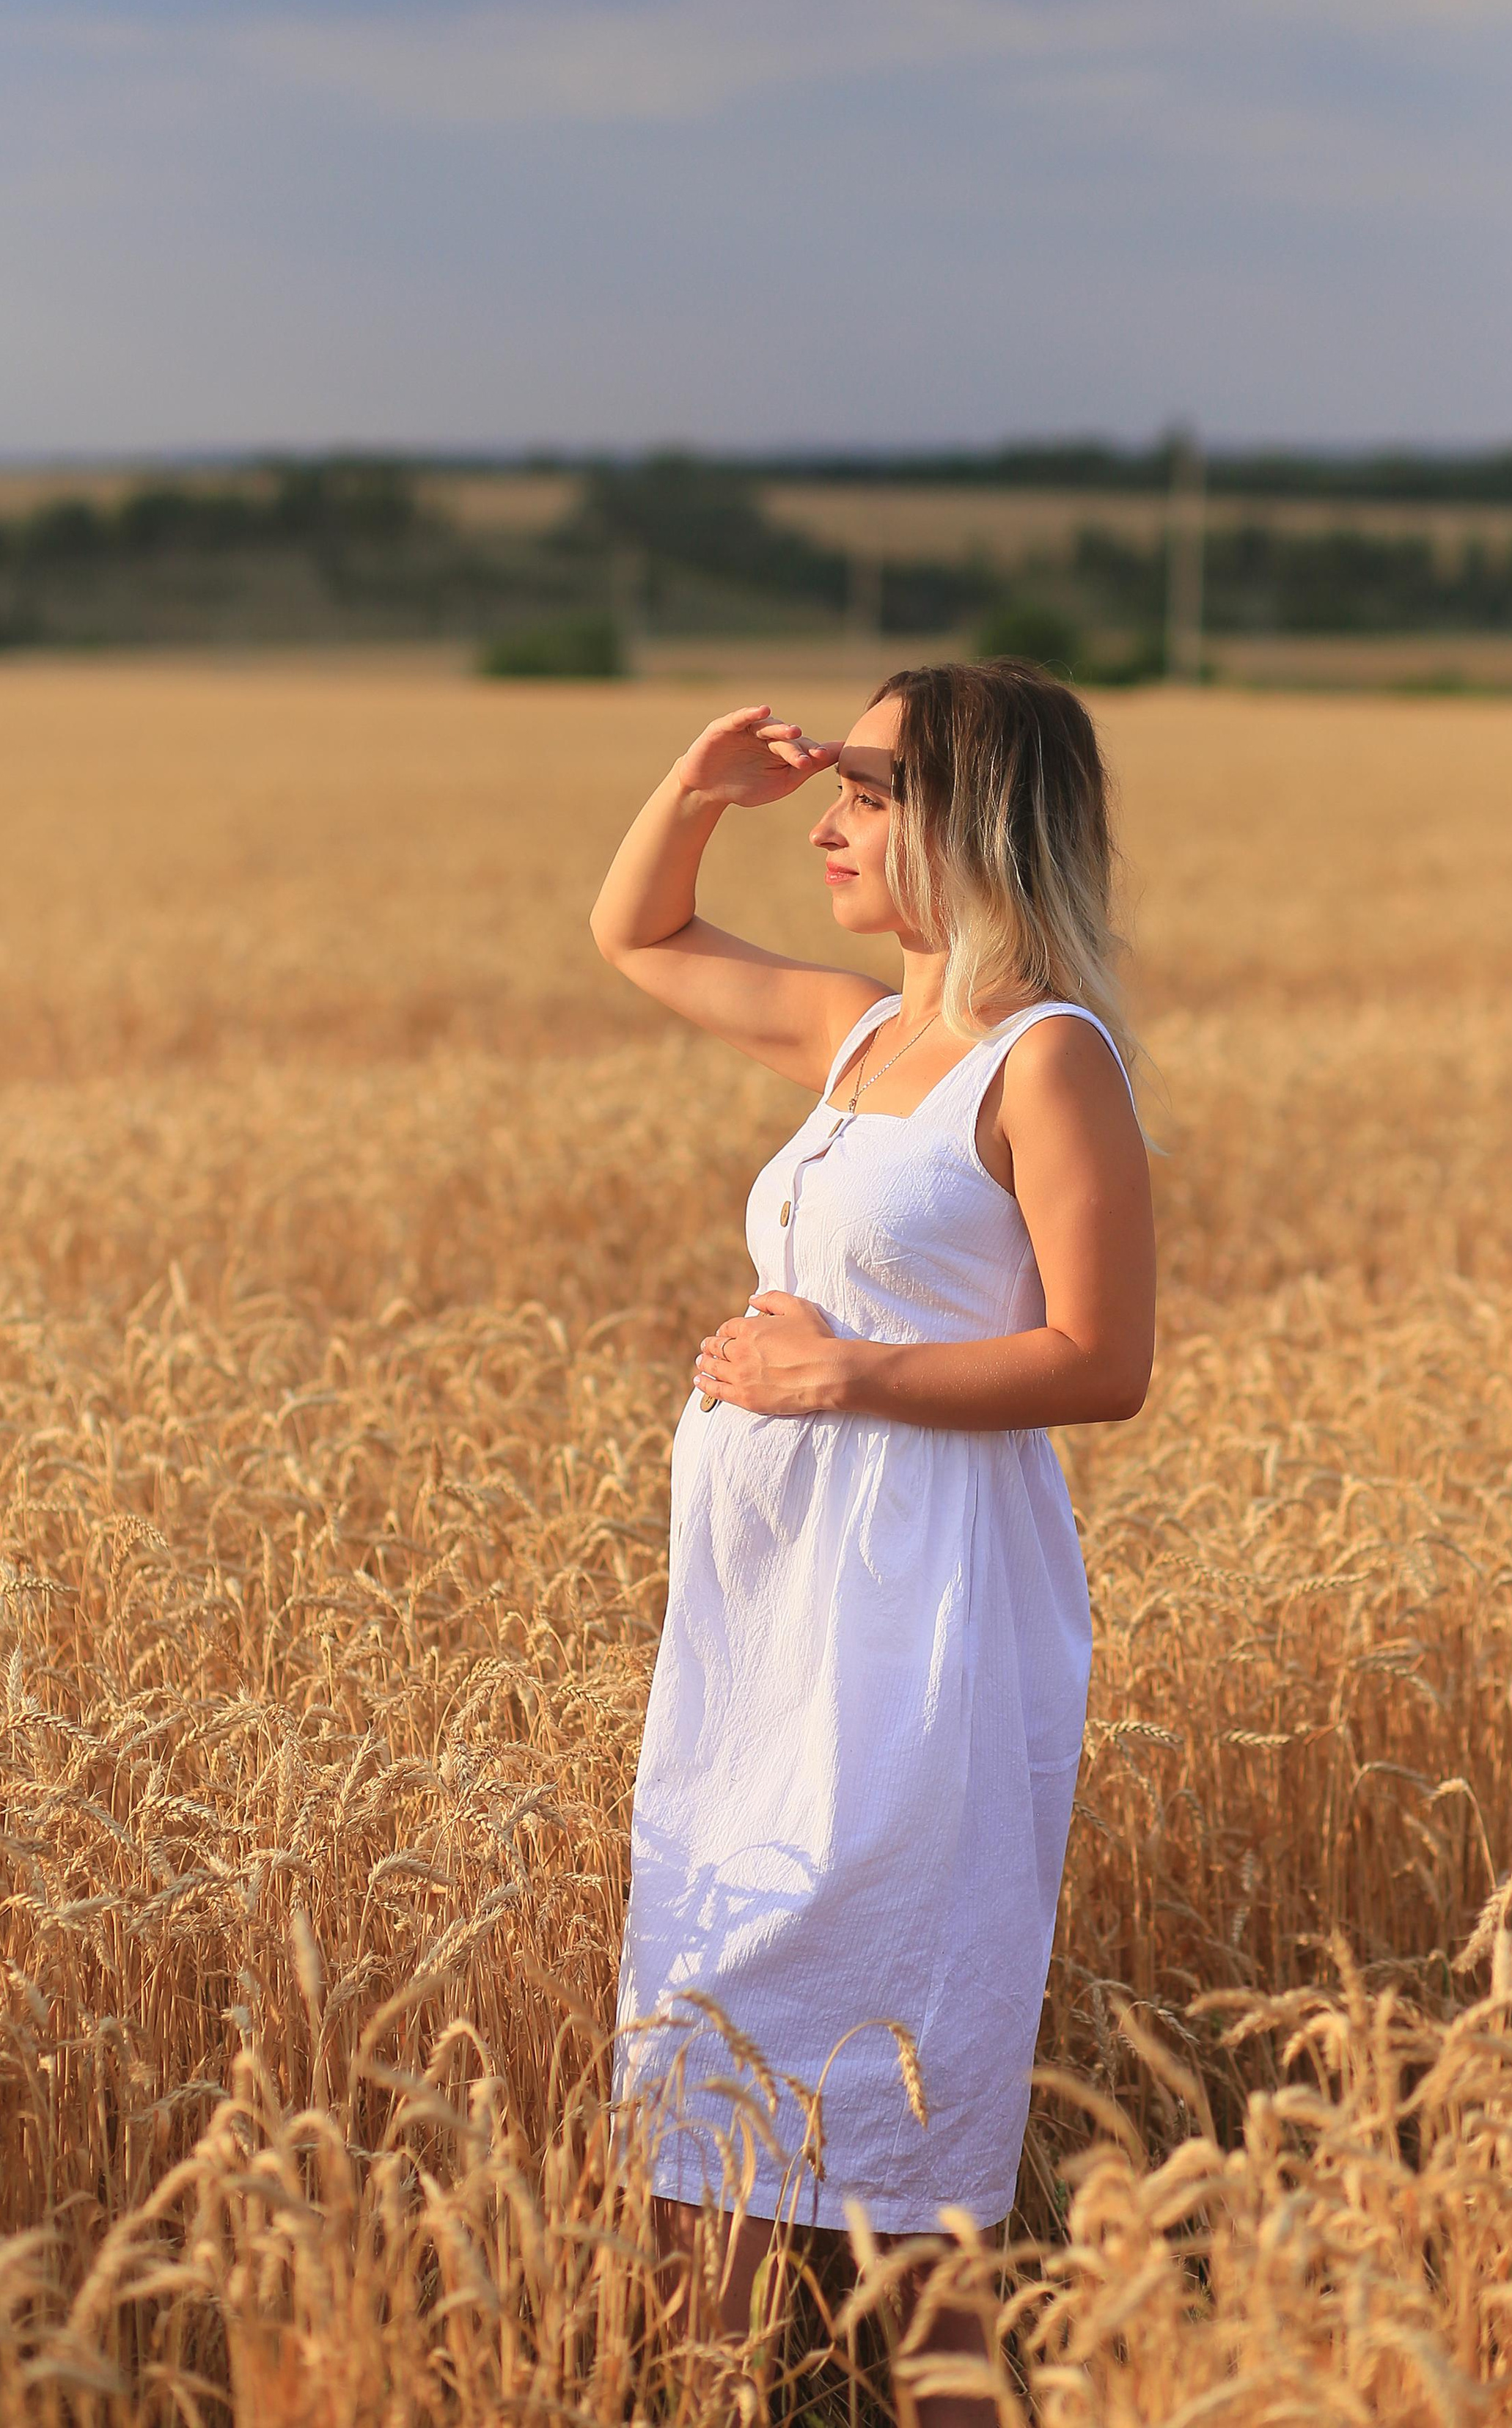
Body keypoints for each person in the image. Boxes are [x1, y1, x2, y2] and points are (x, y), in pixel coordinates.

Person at [590, 661, 1156, 2414]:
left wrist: (844, 1367)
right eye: (829, 785)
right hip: (763, 1632)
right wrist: (694, 786)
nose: (827, 821)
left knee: (897, 2145)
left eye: (866, 788)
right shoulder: (851, 1031)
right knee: (702, 2074)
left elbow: (1102, 1357)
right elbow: (640, 934)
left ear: (973, 820)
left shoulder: (1043, 1058)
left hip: (916, 1633)